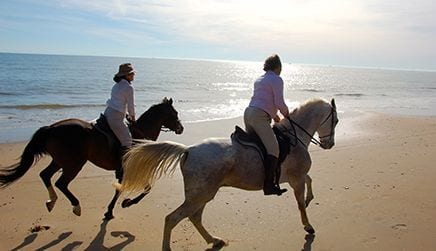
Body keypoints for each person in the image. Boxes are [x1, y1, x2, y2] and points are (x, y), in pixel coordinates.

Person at [244, 54, 289, 196]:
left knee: (257, 146)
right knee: (274, 149)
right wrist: (287, 115)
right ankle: (268, 185)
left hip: (248, 113)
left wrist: (275, 116)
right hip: (259, 117)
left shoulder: (260, 79)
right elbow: (279, 102)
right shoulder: (277, 79)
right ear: (278, 67)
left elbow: (263, 100)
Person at [104, 63, 136, 150]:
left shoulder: (116, 85)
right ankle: (123, 162)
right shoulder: (129, 88)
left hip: (107, 112)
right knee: (128, 140)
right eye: (132, 73)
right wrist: (133, 119)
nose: (134, 75)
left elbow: (117, 102)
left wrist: (125, 114)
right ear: (127, 75)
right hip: (116, 117)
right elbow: (131, 106)